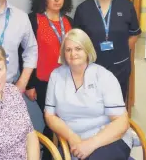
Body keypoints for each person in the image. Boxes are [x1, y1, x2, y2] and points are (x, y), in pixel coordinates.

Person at [45, 29, 132, 160]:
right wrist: (71, 136)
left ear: (87, 50)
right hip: (74, 142)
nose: (73, 53)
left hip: (108, 140)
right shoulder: (56, 76)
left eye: (78, 48)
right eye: (68, 50)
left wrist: (91, 144)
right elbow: (50, 116)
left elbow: (121, 121)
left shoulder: (103, 76)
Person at [21, 0, 73, 160]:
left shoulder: (69, 22)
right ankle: (50, 155)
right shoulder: (33, 20)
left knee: (63, 121)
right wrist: (29, 84)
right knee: (53, 122)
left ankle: (59, 154)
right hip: (44, 82)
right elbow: (24, 53)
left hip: (67, 81)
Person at [73, 0, 141, 101]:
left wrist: (122, 50)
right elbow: (77, 40)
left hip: (120, 68)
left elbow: (134, 34)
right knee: (93, 106)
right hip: (91, 68)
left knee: (117, 105)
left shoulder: (126, 6)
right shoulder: (83, 9)